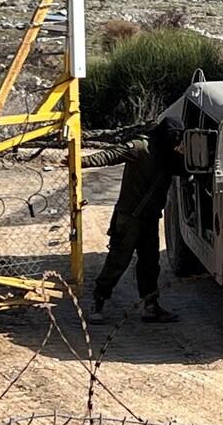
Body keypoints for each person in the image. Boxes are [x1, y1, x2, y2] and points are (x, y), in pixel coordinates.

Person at [79, 110, 187, 324]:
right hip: (129, 219)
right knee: (117, 261)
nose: (175, 140)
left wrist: (187, 154)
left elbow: (188, 171)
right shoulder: (140, 147)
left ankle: (151, 306)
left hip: (150, 219)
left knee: (150, 264)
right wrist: (77, 161)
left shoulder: (170, 157)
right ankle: (98, 303)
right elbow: (110, 155)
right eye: (174, 136)